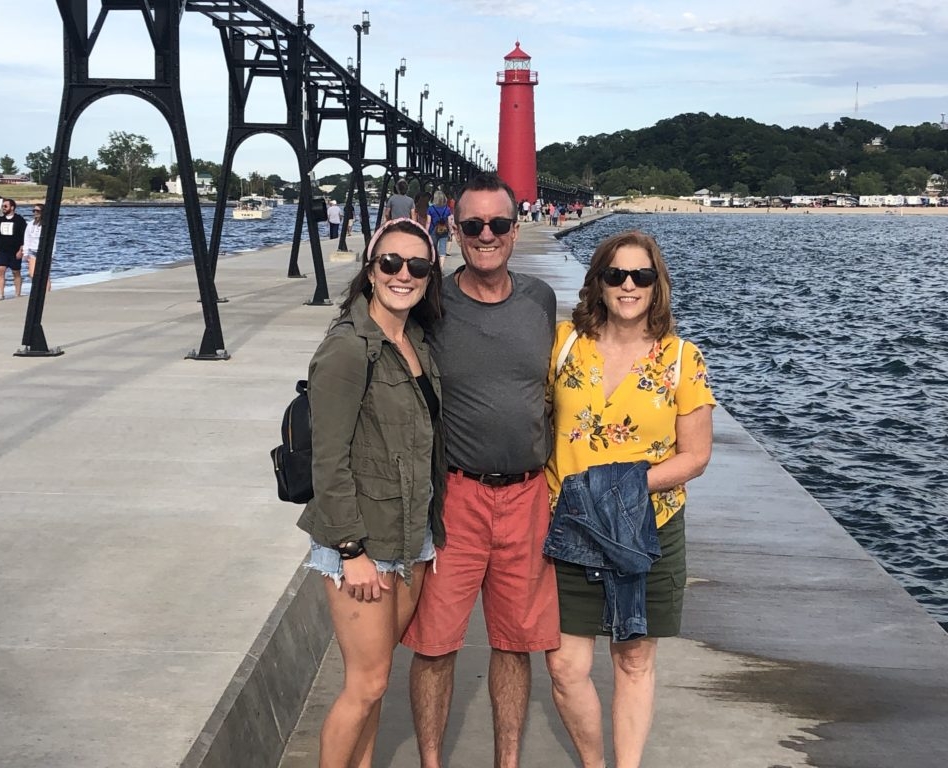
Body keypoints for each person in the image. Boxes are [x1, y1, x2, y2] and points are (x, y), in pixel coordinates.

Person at [403, 173, 560, 768]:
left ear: (515, 230)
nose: (486, 235)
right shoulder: (433, 301)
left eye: (498, 224)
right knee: (435, 644)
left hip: (527, 498)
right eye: (473, 226)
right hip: (457, 498)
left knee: (514, 643)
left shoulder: (540, 300)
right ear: (455, 230)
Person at [543, 230, 716, 768]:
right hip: (569, 526)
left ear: (656, 284)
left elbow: (696, 455)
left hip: (649, 528)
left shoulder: (682, 359)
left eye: (641, 275)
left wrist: (620, 487)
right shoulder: (564, 343)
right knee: (566, 667)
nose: (628, 286)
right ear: (598, 281)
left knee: (634, 659)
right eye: (616, 274)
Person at [296, 217, 445, 768]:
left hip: (410, 536)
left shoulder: (415, 342)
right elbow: (327, 461)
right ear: (370, 270)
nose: (403, 274)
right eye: (390, 263)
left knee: (376, 683)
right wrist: (352, 552)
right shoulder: (348, 348)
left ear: (430, 276)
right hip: (361, 544)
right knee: (365, 684)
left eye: (417, 266)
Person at [0, 198, 27, 300]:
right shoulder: (0, 220)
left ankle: (17, 293)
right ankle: (1, 294)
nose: (3, 208)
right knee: (0, 270)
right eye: (2, 206)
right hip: (2, 250)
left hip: (15, 250)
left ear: (12, 207)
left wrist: (21, 249)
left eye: (5, 206)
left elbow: (24, 236)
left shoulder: (19, 220)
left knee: (16, 272)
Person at [24, 204, 52, 293]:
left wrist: (52, 254)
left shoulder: (47, 224)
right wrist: (25, 253)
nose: (35, 213)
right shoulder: (30, 224)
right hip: (33, 252)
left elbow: (52, 239)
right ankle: (36, 291)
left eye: (38, 211)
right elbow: (27, 238)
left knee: (44, 275)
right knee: (32, 274)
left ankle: (47, 292)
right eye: (34, 211)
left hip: (44, 252)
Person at [425, 190, 454, 270]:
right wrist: (450, 231)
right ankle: (440, 268)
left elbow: (428, 222)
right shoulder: (447, 209)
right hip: (444, 230)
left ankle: (433, 267)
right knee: (442, 250)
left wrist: (426, 232)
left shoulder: (431, 209)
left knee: (432, 248)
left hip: (433, 230)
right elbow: (449, 221)